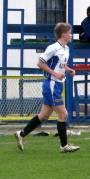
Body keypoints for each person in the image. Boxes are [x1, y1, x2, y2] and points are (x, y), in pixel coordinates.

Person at [14, 22, 80, 153]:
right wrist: (55, 74)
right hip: (51, 84)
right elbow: (40, 63)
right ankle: (64, 145)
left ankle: (21, 134)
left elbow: (58, 64)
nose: (71, 35)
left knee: (43, 116)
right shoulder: (53, 48)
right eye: (69, 32)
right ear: (63, 34)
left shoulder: (65, 49)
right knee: (63, 114)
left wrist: (68, 70)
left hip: (57, 85)